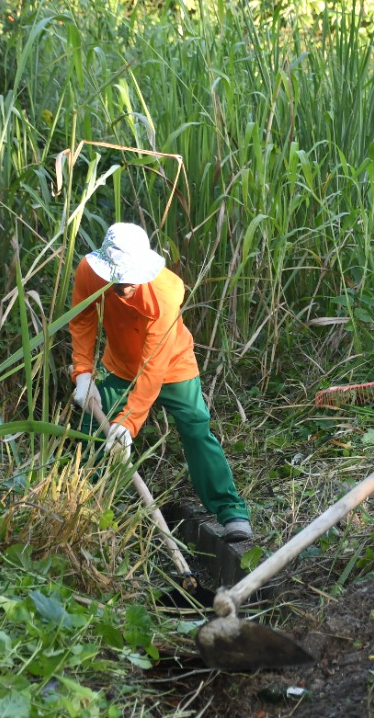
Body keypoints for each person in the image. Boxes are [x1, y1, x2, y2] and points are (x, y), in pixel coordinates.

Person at [69, 222, 253, 543]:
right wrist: (83, 372)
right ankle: (83, 508)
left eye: (129, 277)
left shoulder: (165, 292)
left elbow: (153, 368)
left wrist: (128, 423)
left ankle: (230, 510)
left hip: (171, 365)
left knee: (196, 427)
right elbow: (82, 320)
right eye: (117, 274)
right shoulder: (89, 271)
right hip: (119, 364)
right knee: (93, 430)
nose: (122, 284)